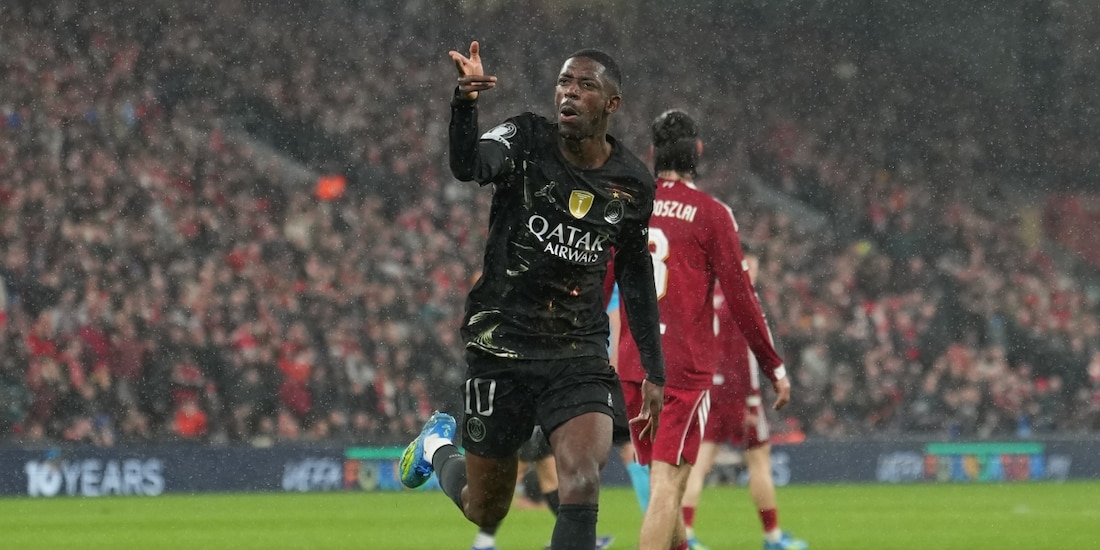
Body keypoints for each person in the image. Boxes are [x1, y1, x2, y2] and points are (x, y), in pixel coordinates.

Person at [400, 41, 667, 550]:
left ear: (612, 104)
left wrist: (654, 367)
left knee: (583, 480)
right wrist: (464, 104)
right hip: (501, 345)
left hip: (577, 354)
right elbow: (468, 164)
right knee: (486, 508)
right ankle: (436, 448)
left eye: (585, 85)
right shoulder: (525, 139)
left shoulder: (632, 183)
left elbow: (635, 270)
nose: (568, 92)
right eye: (564, 82)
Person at [616, 110, 791, 550]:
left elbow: (601, 284)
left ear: (652, 154)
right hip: (682, 370)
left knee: (666, 487)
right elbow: (742, 298)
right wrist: (773, 366)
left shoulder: (628, 205)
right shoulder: (711, 214)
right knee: (666, 489)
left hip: (634, 365)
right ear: (698, 152)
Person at [680, 254, 808, 550]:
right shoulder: (742, 295)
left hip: (709, 387)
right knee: (759, 461)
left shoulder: (709, 292)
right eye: (754, 263)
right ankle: (772, 537)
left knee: (699, 464)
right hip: (739, 391)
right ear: (745, 261)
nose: (756, 270)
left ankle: (686, 535)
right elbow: (745, 350)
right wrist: (748, 400)